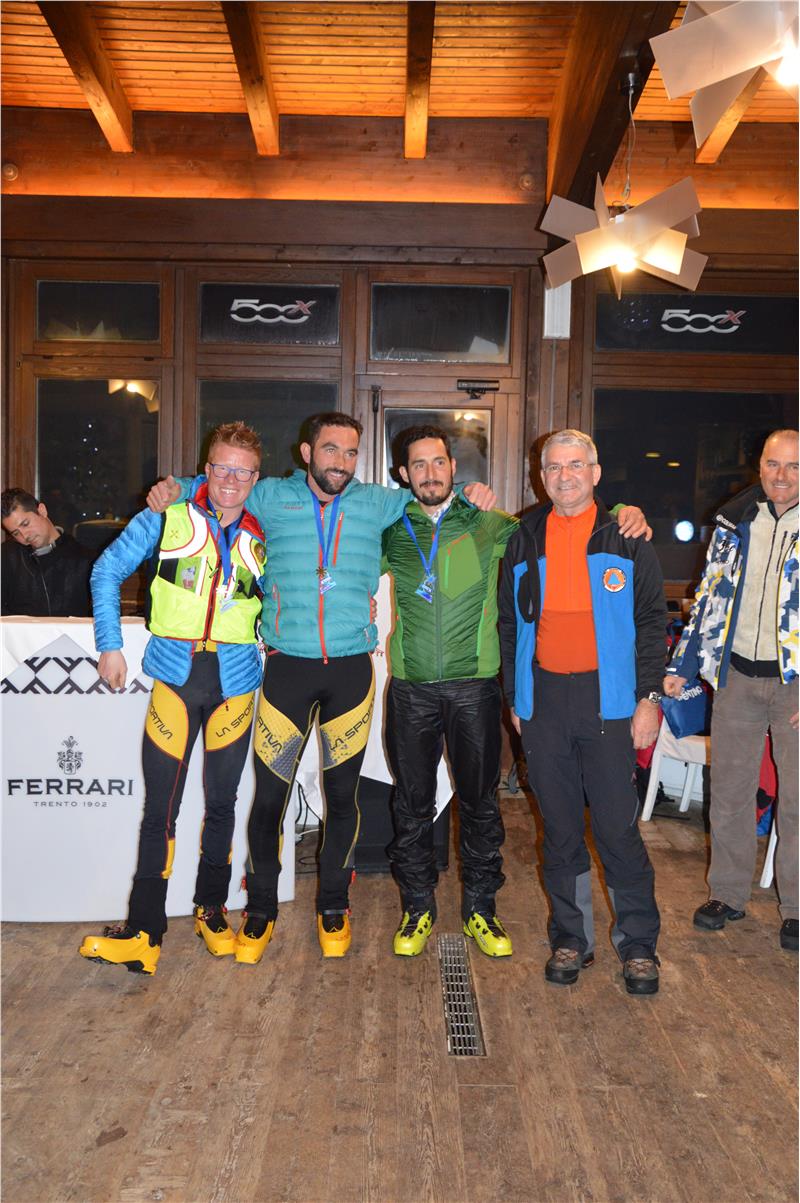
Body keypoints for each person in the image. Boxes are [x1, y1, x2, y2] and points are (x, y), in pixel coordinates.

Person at [147, 413, 496, 961]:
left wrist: (473, 491)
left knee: (342, 799)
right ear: (307, 452)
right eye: (331, 449)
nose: (341, 462)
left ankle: (334, 905)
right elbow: (222, 481)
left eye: (351, 452)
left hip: (350, 673)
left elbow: (435, 497)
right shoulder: (270, 496)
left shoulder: (378, 502)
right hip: (287, 670)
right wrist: (176, 487)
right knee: (270, 799)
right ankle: (260, 909)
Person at [79, 422, 267, 976]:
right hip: (175, 679)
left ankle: (211, 910)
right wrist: (110, 645)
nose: (230, 480)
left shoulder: (265, 531)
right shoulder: (167, 516)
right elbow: (106, 570)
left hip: (236, 683)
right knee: (159, 810)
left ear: (255, 478)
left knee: (223, 805)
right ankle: (144, 931)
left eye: (243, 472)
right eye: (221, 467)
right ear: (206, 469)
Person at [499, 429, 666, 995]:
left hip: (611, 702)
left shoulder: (626, 535)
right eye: (553, 467)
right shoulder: (524, 537)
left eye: (575, 465)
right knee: (561, 830)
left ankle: (638, 946)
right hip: (544, 701)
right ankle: (571, 939)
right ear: (541, 476)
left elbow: (652, 623)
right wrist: (516, 698)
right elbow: (508, 625)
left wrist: (649, 699)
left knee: (617, 828)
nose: (564, 476)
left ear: (595, 473)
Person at [381, 425, 519, 958]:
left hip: (473, 689)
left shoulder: (485, 522)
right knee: (412, 805)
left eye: (438, 462)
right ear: (403, 474)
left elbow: (554, 527)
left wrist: (621, 510)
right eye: (418, 465)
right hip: (412, 690)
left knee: (480, 804)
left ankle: (482, 909)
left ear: (453, 468)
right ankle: (417, 907)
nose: (430, 473)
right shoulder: (393, 529)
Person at [664, 428, 798, 952]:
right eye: (773, 464)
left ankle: (797, 908)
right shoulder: (735, 519)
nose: (782, 476)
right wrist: (684, 663)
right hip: (737, 677)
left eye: (794, 466)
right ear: (759, 466)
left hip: (795, 686)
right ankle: (727, 894)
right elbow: (709, 595)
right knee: (729, 795)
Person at [1, 488, 94, 617]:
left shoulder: (86, 559)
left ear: (42, 511)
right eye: (16, 533)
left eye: (25, 524)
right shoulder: (6, 556)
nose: (25, 536)